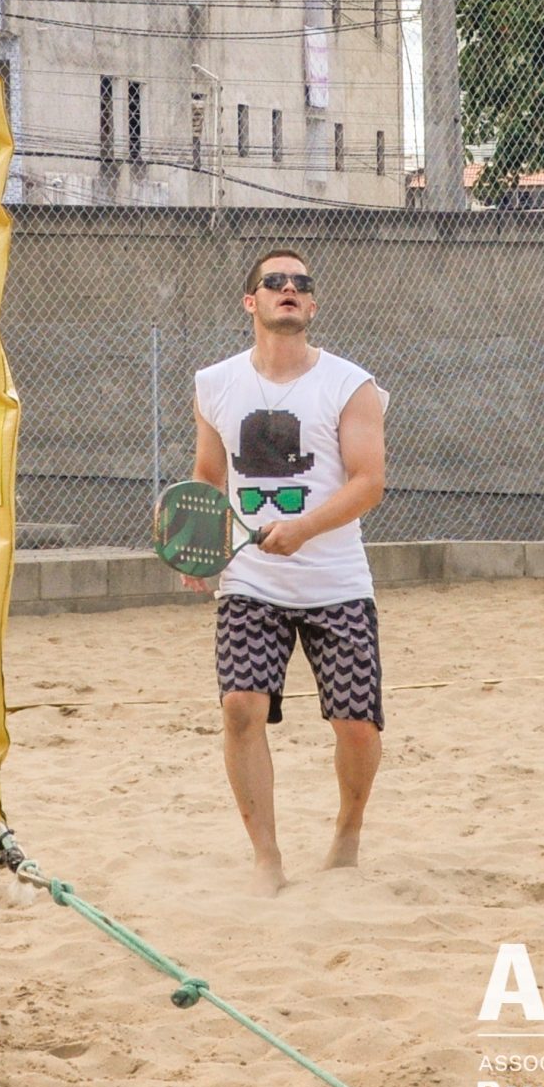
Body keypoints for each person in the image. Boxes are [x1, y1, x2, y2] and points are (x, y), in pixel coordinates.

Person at [189, 247, 390, 894]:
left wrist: (302, 528)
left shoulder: (350, 385)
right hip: (252, 582)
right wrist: (200, 543)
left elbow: (368, 482)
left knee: (356, 723)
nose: (289, 290)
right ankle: (266, 858)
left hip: (337, 582)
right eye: (274, 282)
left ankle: (349, 829)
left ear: (312, 304)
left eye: (301, 284)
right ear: (251, 302)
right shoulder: (215, 384)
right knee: (241, 707)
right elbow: (209, 476)